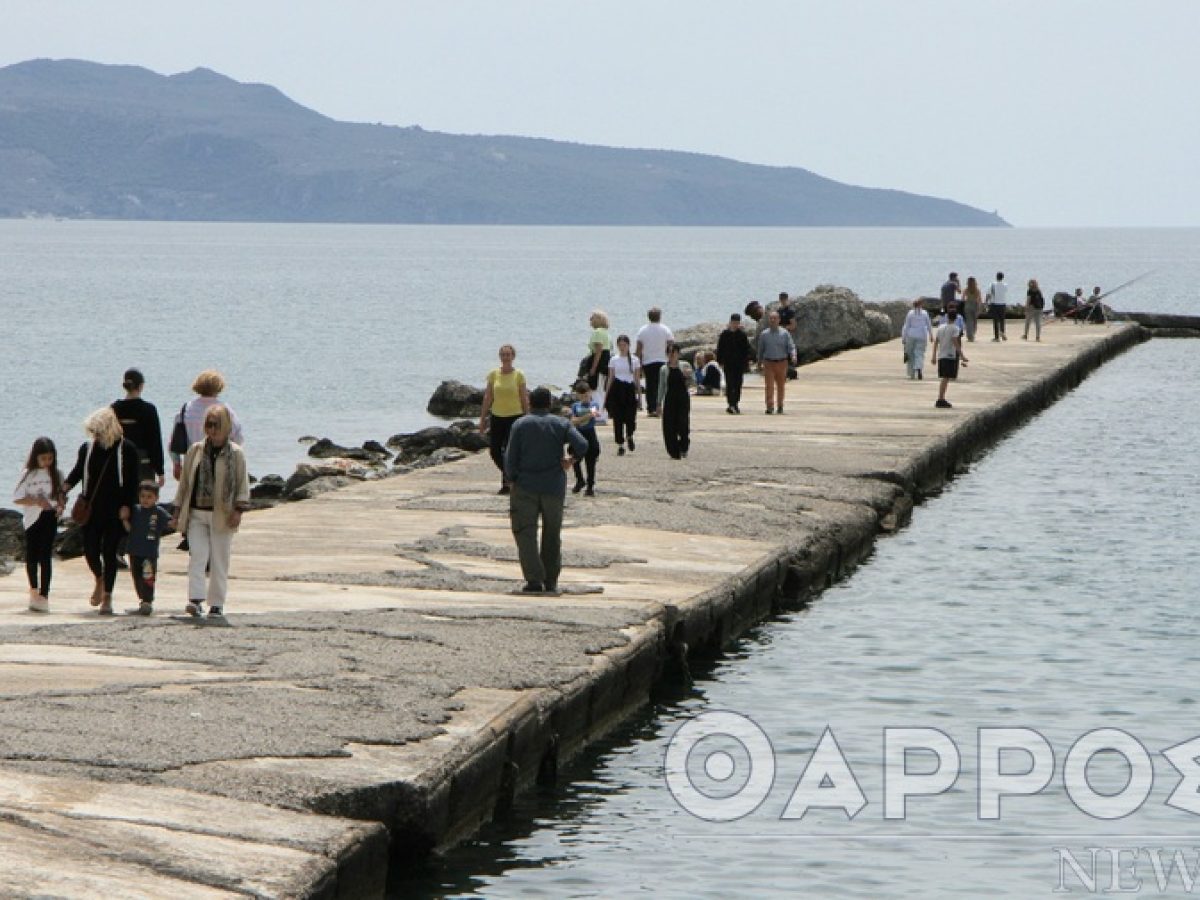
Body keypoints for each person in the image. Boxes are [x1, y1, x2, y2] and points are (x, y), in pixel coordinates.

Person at [170, 404, 251, 624]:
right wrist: (177, 512)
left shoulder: (236, 454)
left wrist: (238, 510)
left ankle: (216, 604)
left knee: (219, 560)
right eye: (208, 424)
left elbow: (242, 485)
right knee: (198, 555)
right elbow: (185, 484)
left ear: (226, 426)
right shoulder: (195, 450)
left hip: (222, 514)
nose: (211, 429)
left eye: (215, 425)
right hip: (197, 513)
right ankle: (195, 599)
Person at [504, 387, 587, 594]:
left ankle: (534, 579)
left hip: (525, 485)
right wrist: (571, 459)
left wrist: (511, 479)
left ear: (530, 403)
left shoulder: (520, 424)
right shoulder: (561, 423)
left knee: (525, 533)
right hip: (553, 486)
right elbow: (582, 444)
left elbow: (510, 457)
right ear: (549, 404)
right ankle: (550, 580)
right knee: (552, 533)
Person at [63, 407, 140, 615]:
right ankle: (99, 578)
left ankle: (107, 596)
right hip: (91, 507)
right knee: (89, 549)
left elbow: (133, 482)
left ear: (108, 429)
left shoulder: (126, 449)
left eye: (98, 431)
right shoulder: (87, 448)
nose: (95, 436)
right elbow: (78, 472)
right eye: (93, 432)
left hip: (115, 509)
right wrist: (64, 488)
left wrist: (127, 506)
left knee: (109, 552)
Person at [13, 437, 65, 613]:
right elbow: (17, 498)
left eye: (50, 458)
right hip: (32, 518)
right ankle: (33, 590)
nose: (46, 462)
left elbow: (60, 495)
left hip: (49, 516)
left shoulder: (57, 473)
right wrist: (35, 501)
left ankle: (44, 594)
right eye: (43, 458)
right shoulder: (28, 474)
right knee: (32, 555)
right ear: (36, 456)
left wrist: (61, 505)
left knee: (45, 555)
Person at [171, 370, 244, 481]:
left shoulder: (185, 410)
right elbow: (238, 437)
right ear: (219, 387)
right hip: (220, 463)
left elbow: (174, 442)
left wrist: (176, 464)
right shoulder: (225, 410)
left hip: (192, 463)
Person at [478, 344, 530, 495]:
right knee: (494, 451)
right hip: (497, 416)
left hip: (515, 416)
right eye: (503, 355)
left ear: (513, 357)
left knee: (509, 450)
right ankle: (511, 476)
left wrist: (527, 417)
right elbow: (488, 397)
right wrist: (482, 418)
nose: (505, 357)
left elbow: (524, 397)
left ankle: (506, 484)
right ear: (500, 357)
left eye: (508, 355)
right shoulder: (493, 374)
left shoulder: (519, 375)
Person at [124, 480, 172, 616]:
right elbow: (129, 529)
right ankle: (142, 600)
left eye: (149, 497)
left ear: (157, 498)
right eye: (143, 496)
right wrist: (124, 520)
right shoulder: (135, 510)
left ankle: (147, 601)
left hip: (149, 552)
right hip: (134, 551)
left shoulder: (159, 512)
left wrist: (177, 522)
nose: (145, 500)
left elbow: (171, 523)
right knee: (137, 577)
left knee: (148, 577)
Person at [111, 368, 165, 486]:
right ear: (141, 386)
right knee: (143, 495)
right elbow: (155, 442)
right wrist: (160, 471)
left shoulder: (114, 408)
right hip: (143, 461)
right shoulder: (148, 409)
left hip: (120, 459)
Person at [604, 334, 642, 455]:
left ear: (629, 345)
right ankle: (620, 444)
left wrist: (640, 396)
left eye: (624, 345)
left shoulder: (635, 360)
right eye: (620, 345)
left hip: (629, 389)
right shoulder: (614, 359)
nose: (622, 347)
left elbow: (637, 379)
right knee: (618, 419)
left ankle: (629, 435)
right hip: (617, 389)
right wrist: (606, 395)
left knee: (630, 418)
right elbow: (610, 378)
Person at [756, 310, 798, 414]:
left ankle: (780, 406)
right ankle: (769, 406)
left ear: (779, 320)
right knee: (769, 386)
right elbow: (761, 350)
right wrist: (759, 363)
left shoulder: (784, 333)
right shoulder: (764, 334)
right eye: (771, 318)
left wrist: (793, 355)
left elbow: (791, 346)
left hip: (782, 362)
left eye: (775, 318)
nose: (773, 320)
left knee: (781, 386)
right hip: (769, 362)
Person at [635, 307, 673, 418]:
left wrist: (637, 363)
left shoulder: (643, 330)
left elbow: (639, 348)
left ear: (649, 317)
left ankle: (651, 408)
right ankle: (659, 407)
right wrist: (671, 359)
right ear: (659, 316)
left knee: (650, 385)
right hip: (662, 360)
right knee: (661, 385)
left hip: (648, 361)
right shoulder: (665, 329)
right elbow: (671, 345)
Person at [658, 342, 691, 460]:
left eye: (674, 352)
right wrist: (658, 403)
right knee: (669, 425)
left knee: (683, 424)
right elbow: (662, 386)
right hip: (670, 398)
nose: (671, 355)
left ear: (678, 353)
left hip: (682, 398)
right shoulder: (663, 369)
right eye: (669, 352)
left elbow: (693, 383)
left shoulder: (685, 365)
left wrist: (687, 376)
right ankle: (673, 450)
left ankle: (684, 447)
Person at [569, 380, 601, 497]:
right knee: (575, 458)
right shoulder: (575, 406)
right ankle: (579, 480)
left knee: (590, 461)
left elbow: (595, 413)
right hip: (578, 434)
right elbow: (573, 420)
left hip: (590, 434)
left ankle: (590, 486)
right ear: (578, 395)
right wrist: (586, 416)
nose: (584, 398)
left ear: (590, 393)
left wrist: (580, 419)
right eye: (581, 395)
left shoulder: (594, 404)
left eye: (586, 395)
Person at [716, 312, 752, 414]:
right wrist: (720, 361)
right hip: (728, 363)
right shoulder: (725, 334)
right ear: (730, 322)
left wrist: (747, 362)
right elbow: (720, 348)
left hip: (739, 364)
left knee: (738, 384)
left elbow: (746, 350)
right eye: (733, 322)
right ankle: (730, 403)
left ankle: (735, 403)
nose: (735, 325)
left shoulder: (742, 335)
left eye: (737, 323)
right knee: (730, 383)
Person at [932, 305, 968, 409]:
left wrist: (934, 356)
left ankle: (941, 398)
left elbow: (936, 342)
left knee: (945, 377)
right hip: (949, 355)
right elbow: (955, 342)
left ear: (947, 317)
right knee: (946, 378)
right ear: (956, 318)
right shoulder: (955, 328)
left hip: (941, 355)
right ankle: (940, 398)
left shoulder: (940, 328)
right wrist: (962, 355)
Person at [901, 299, 934, 380]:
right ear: (921, 305)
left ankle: (911, 373)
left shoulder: (910, 313)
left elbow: (906, 326)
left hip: (911, 335)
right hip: (922, 335)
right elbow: (929, 324)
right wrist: (931, 335)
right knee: (920, 353)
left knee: (910, 354)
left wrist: (904, 338)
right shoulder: (925, 313)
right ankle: (919, 368)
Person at [584, 310, 612, 391]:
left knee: (595, 388)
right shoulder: (606, 333)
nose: (590, 319)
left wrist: (593, 368)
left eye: (592, 318)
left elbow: (598, 351)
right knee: (602, 387)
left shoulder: (598, 332)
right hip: (605, 363)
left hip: (599, 363)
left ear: (599, 319)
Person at [986, 272, 1009, 341]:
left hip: (994, 304)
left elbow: (989, 294)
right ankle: (1002, 332)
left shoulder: (992, 284)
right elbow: (1005, 292)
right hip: (1003, 304)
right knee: (1002, 320)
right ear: (1002, 277)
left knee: (996, 320)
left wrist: (986, 302)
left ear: (996, 277)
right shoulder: (1005, 285)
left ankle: (997, 337)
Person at [961, 276, 983, 342]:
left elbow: (962, 298)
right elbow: (979, 300)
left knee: (968, 321)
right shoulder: (977, 290)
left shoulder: (966, 289)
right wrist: (979, 308)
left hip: (967, 305)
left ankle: (969, 336)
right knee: (974, 321)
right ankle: (972, 334)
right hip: (975, 305)